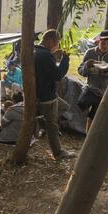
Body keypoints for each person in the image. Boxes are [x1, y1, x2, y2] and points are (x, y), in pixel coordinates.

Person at [34, 30, 75, 161]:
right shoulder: (44, 55)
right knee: (52, 126)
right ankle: (58, 153)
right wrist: (65, 60)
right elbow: (57, 75)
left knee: (64, 107)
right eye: (57, 43)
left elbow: (47, 70)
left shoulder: (37, 52)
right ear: (51, 41)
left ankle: (42, 119)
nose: (57, 46)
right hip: (46, 96)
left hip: (45, 92)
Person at [78, 30, 108, 133]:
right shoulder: (90, 53)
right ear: (98, 41)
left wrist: (107, 71)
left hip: (105, 91)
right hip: (90, 89)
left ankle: (89, 137)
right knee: (83, 108)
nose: (105, 45)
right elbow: (81, 72)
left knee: (95, 114)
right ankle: (88, 136)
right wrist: (87, 66)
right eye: (102, 42)